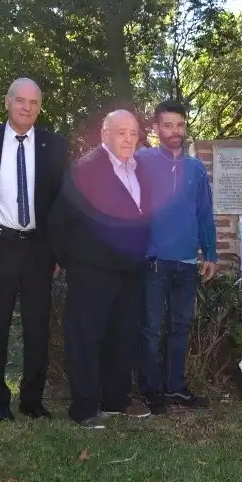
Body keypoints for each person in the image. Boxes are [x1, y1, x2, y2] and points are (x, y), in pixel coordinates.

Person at [0, 78, 69, 421]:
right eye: (20, 101)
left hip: (38, 249)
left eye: (34, 102)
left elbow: (59, 201)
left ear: (40, 107)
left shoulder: (53, 145)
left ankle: (32, 400)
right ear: (8, 102)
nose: (27, 107)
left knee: (37, 326)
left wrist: (56, 252)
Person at [49, 110, 152, 429]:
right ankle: (84, 408)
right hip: (93, 269)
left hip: (129, 269)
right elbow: (61, 217)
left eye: (133, 133)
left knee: (121, 336)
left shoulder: (138, 168)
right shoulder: (87, 168)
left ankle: (115, 400)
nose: (128, 138)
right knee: (87, 337)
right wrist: (63, 259)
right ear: (104, 134)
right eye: (121, 132)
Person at [134, 100, 218, 413]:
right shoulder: (141, 160)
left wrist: (210, 252)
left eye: (180, 125)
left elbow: (205, 213)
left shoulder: (196, 169)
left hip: (187, 262)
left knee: (180, 327)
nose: (175, 131)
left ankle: (176, 388)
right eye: (168, 125)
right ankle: (150, 390)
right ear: (156, 129)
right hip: (154, 261)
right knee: (151, 328)